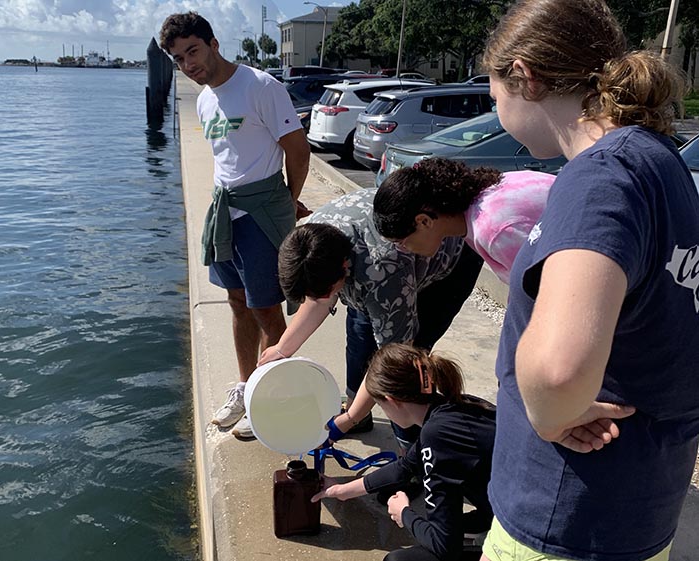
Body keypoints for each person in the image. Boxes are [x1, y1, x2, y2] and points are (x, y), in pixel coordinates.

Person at [478, 1, 699, 560]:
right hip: (637, 507)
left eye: (494, 96)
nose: (497, 111)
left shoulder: (599, 177)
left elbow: (557, 371)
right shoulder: (661, 162)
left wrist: (547, 415)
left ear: (523, 77)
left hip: (562, 519)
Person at [159, 12, 311, 439]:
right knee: (237, 303)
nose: (188, 64)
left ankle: (272, 397)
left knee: (269, 313)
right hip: (225, 214)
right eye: (178, 58)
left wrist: (289, 200)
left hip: (260, 214)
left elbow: (297, 151)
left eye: (193, 51)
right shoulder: (205, 99)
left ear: (213, 44)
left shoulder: (260, 86)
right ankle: (247, 388)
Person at [258, 189, 484, 450]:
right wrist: (282, 349)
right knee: (359, 337)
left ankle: (411, 443)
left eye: (329, 292)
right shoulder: (310, 238)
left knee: (406, 366)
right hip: (380, 262)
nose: (324, 298)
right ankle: (360, 412)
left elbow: (393, 357)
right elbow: (317, 301)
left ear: (344, 269)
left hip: (447, 265)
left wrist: (346, 420)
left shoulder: (383, 272)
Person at [312, 343, 496, 561]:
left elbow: (444, 546)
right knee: (454, 524)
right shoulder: (456, 406)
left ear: (392, 401)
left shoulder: (438, 437)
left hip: (533, 535)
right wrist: (342, 490)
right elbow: (404, 468)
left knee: (397, 560)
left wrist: (405, 514)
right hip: (526, 503)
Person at [373, 158, 556, 284]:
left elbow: (554, 291)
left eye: (401, 243)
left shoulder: (493, 230)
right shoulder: (483, 201)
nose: (404, 251)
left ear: (424, 222)